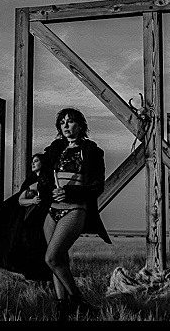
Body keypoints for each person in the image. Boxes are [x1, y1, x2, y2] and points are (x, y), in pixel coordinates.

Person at [43, 107, 111, 321]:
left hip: (74, 209)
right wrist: (48, 191)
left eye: (70, 122)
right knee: (60, 259)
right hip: (52, 211)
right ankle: (63, 306)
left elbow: (97, 185)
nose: (66, 126)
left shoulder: (91, 150)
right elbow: (43, 177)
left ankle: (79, 301)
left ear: (80, 126)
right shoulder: (55, 149)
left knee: (51, 258)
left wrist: (70, 192)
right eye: (62, 122)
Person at [0, 152, 53, 282]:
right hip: (28, 217)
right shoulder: (31, 181)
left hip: (42, 217)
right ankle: (33, 276)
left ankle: (45, 276)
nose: (33, 163)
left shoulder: (48, 180)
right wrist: (32, 201)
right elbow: (20, 200)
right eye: (32, 161)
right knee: (28, 244)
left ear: (43, 163)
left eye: (36, 161)